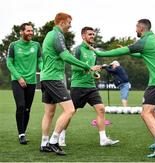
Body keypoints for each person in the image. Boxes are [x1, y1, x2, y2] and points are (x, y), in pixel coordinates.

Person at [91, 19, 155, 158]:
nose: (135, 30)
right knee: (151, 112)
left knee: (145, 113)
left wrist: (99, 53)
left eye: (136, 27)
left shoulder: (143, 41)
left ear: (141, 28)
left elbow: (123, 51)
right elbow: (139, 53)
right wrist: (129, 50)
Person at [40, 13, 100, 155]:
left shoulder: (51, 35)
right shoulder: (56, 35)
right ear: (61, 22)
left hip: (46, 77)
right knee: (70, 110)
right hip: (53, 78)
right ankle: (54, 141)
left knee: (49, 113)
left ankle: (44, 143)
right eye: (68, 22)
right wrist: (87, 66)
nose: (70, 25)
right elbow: (66, 56)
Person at [58, 26, 119, 147]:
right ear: (83, 36)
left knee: (101, 109)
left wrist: (98, 70)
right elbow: (74, 67)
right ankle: (61, 136)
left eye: (93, 34)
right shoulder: (78, 49)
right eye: (89, 34)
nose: (92, 36)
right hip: (78, 86)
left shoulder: (93, 52)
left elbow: (92, 68)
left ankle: (103, 139)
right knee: (70, 112)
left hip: (91, 86)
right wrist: (88, 68)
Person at [6, 23, 43, 145]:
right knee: (21, 106)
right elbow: (9, 63)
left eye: (32, 31)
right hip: (17, 80)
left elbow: (40, 60)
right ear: (21, 32)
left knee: (27, 109)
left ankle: (23, 132)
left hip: (32, 81)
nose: (31, 33)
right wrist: (19, 77)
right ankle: (21, 134)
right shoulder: (13, 45)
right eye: (28, 31)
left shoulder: (36, 45)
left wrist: (43, 69)